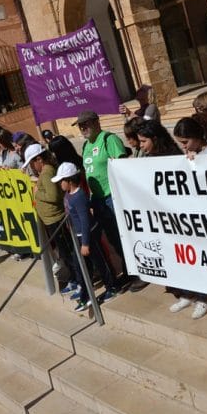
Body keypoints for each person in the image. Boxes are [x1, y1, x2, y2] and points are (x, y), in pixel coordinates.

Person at [75, 110, 143, 291]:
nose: (83, 128)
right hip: (98, 200)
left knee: (124, 236)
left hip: (112, 198)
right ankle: (129, 270)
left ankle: (139, 273)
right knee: (114, 239)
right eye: (80, 126)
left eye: (85, 124)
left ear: (96, 122)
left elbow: (123, 167)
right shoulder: (86, 145)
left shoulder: (109, 139)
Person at [166, 117, 207, 320]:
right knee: (191, 257)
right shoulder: (188, 154)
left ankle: (206, 297)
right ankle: (191, 293)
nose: (183, 146)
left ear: (197, 137)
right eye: (180, 142)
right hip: (192, 215)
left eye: (185, 142)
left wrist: (197, 164)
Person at [52, 162, 120, 311]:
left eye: (61, 181)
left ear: (70, 181)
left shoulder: (79, 197)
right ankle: (86, 295)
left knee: (100, 262)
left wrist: (85, 243)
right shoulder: (68, 195)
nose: (59, 184)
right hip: (77, 236)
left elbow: (85, 220)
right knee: (81, 267)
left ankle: (112, 287)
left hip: (88, 236)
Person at [22, 143, 77, 282]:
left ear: (39, 159)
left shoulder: (47, 172)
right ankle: (75, 278)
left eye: (32, 163)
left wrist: (37, 193)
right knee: (64, 252)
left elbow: (53, 196)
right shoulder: (45, 172)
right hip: (51, 219)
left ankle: (78, 279)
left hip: (56, 219)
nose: (32, 167)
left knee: (68, 252)